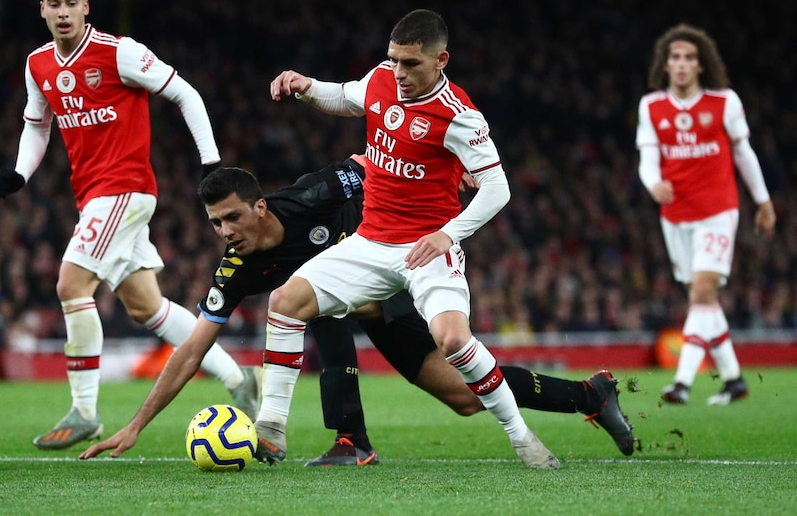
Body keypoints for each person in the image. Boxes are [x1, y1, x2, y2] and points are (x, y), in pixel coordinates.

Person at [78, 160, 636, 464]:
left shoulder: (313, 194)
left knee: (318, 307)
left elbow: (375, 162)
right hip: (360, 300)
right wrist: (135, 426)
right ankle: (591, 395)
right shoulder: (236, 267)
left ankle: (351, 439)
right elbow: (191, 349)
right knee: (466, 398)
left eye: (231, 219)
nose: (225, 233)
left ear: (260, 207)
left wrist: (453, 169)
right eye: (215, 224)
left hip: (395, 268)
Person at [258, 8, 559, 469]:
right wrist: (306, 88)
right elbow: (345, 97)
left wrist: (446, 234)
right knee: (284, 302)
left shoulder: (460, 117)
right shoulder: (382, 79)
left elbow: (498, 188)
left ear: (441, 60)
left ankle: (522, 438)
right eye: (394, 60)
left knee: (454, 342)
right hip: (369, 242)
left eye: (411, 64)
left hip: (426, 249)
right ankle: (270, 428)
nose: (399, 73)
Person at [0, 0, 259, 450]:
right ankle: (238, 377)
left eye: (73, 2)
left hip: (126, 188)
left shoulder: (120, 52)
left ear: (86, 5)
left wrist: (210, 161)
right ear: (43, 10)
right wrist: (19, 173)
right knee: (144, 305)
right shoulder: (38, 65)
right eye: (55, 4)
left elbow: (185, 92)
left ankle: (85, 411)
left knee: (71, 283)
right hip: (92, 194)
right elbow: (38, 125)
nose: (64, 12)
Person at [636, 23, 776, 405]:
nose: (682, 64)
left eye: (689, 58)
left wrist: (762, 202)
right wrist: (653, 185)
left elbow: (744, 154)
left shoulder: (724, 102)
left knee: (701, 292)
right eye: (675, 57)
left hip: (717, 211)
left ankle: (682, 381)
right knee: (702, 299)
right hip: (675, 216)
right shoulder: (652, 107)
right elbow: (648, 161)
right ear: (666, 65)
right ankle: (734, 379)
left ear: (701, 65)